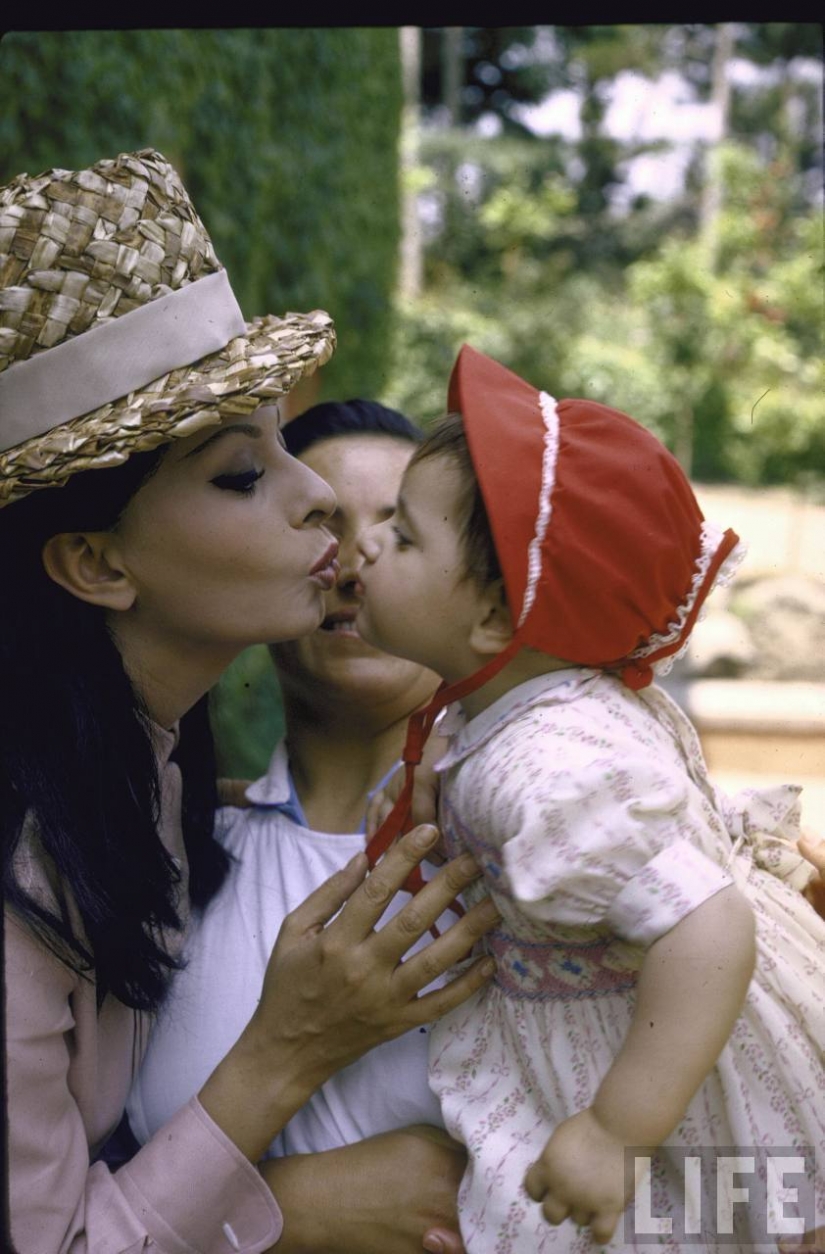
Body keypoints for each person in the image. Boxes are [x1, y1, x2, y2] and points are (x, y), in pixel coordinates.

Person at [0, 151, 498, 1254]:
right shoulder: (26, 865)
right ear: (94, 562)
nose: (321, 499)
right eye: (240, 472)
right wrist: (288, 1074)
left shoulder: (150, 796)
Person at [354, 345, 825, 1252]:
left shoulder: (542, 764)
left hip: (660, 1082)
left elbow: (708, 928)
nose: (366, 541)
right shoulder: (527, 706)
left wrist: (616, 1130)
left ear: (496, 618)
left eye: (403, 535)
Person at [126, 398, 474, 1253]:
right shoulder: (153, 856)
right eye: (327, 523)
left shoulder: (552, 861)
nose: (357, 565)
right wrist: (290, 1213)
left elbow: (734, 1182)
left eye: (402, 533)